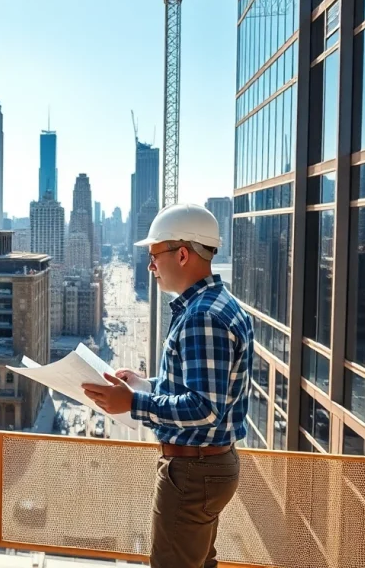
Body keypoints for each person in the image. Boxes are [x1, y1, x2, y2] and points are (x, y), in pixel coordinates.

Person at [81, 203, 254, 568]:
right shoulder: (221, 305)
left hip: (193, 472)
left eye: (154, 254)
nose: (150, 265)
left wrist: (132, 403)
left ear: (182, 254)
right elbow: (203, 387)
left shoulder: (202, 317)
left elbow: (204, 408)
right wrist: (145, 385)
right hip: (209, 466)